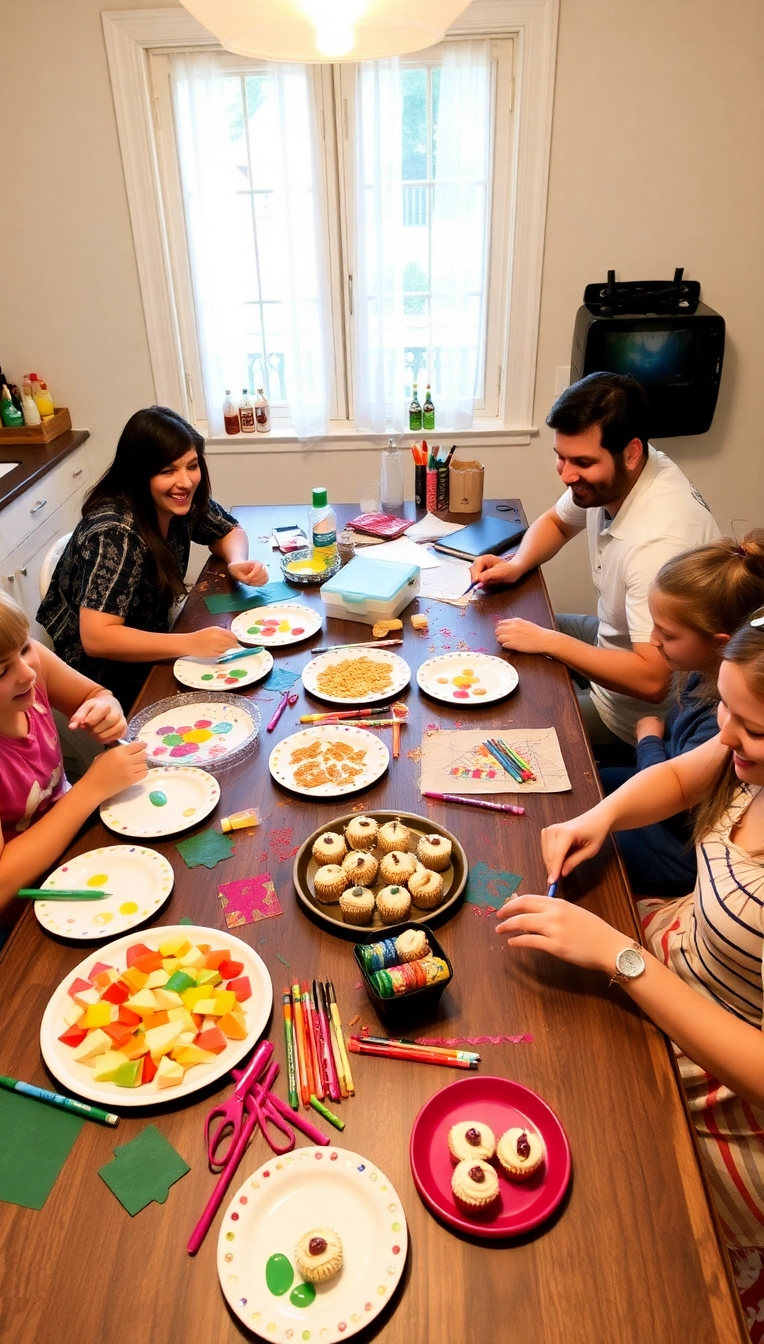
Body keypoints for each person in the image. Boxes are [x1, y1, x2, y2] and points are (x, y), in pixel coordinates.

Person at [495, 614, 764, 1338]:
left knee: (617, 1196)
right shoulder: (741, 743)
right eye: (725, 709)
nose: (728, 735)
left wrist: (622, 958)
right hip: (680, 955)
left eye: (753, 730)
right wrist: (602, 815)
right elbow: (686, 769)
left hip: (731, 1083)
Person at [470, 373, 720, 758]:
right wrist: (517, 564)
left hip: (636, 714)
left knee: (507, 731)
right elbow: (556, 521)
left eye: (583, 462)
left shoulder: (658, 543)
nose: (567, 474)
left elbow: (653, 680)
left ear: (631, 452)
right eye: (561, 457)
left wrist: (550, 642)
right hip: (613, 637)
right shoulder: (623, 474)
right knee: (497, 632)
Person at [38, 406, 268, 710]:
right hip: (106, 677)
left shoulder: (177, 501)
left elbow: (228, 530)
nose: (185, 481)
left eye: (192, 466)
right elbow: (96, 638)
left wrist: (236, 561)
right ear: (139, 474)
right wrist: (189, 643)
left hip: (155, 635)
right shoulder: (115, 534)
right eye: (167, 471)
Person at [603, 529, 764, 896]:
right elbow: (677, 773)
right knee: (585, 788)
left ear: (719, 644)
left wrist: (647, 740)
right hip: (665, 787)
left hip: (675, 847)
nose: (653, 640)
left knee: (595, 862)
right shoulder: (706, 679)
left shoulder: (721, 720)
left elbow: (679, 806)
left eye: (667, 633)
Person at [0, 588, 147, 954]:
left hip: (78, 845)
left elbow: (93, 693)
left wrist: (106, 709)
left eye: (25, 646)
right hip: (30, 909)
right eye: (0, 671)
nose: (28, 671)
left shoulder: (27, 666)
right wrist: (90, 789)